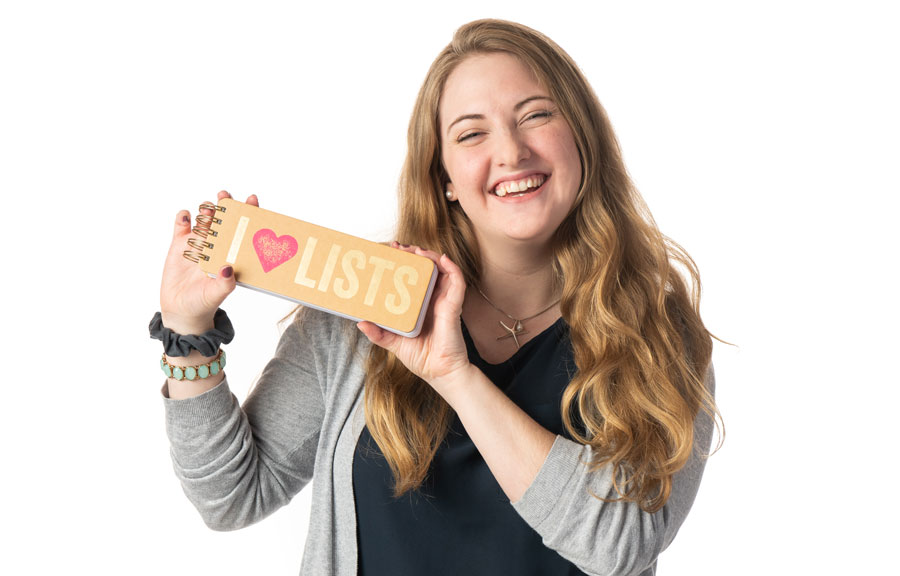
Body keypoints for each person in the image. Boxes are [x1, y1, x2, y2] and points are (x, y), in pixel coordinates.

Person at [154, 19, 720, 576]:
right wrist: (188, 333)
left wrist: (456, 376)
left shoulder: (657, 333)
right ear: (444, 175)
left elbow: (620, 546)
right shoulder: (362, 305)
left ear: (582, 139)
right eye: (471, 134)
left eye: (536, 115)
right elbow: (233, 497)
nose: (511, 151)